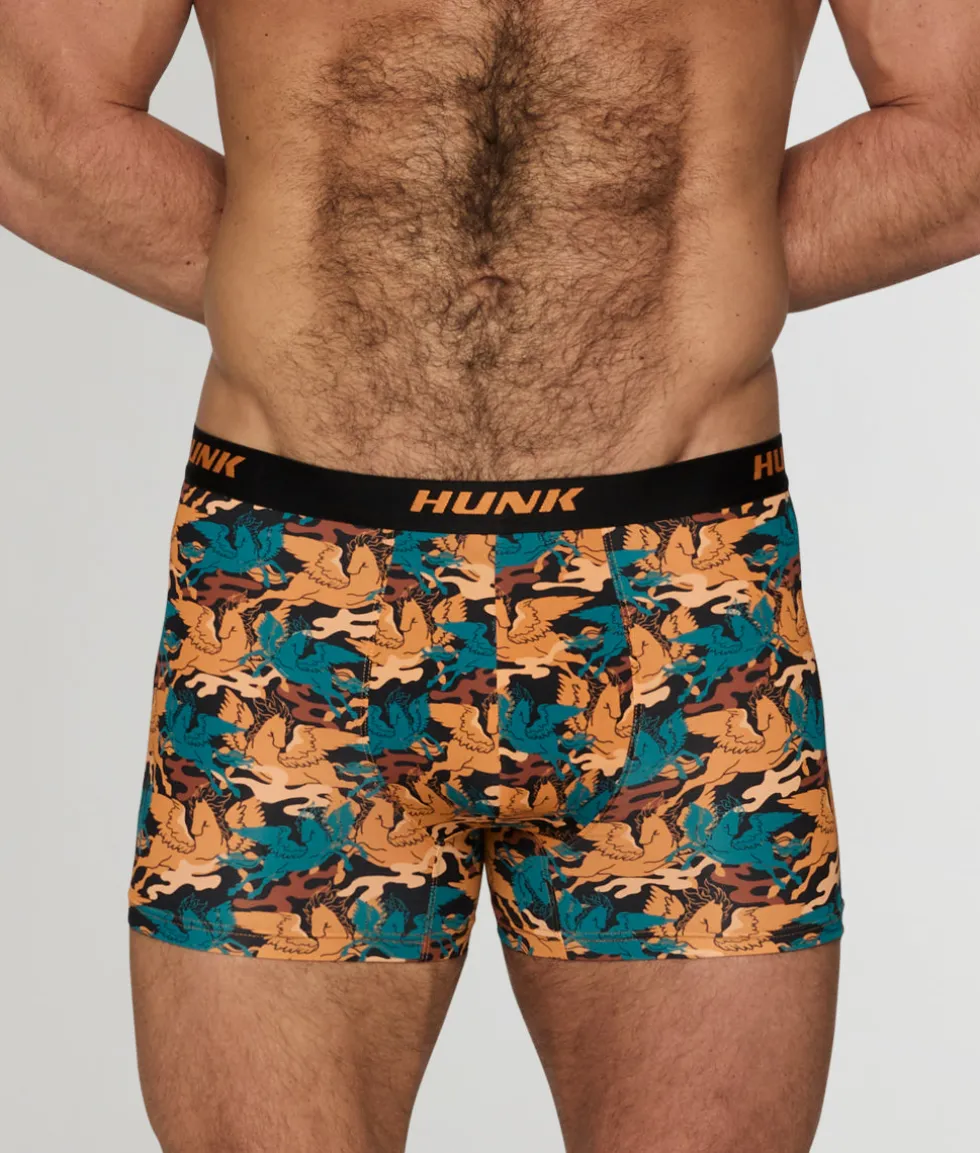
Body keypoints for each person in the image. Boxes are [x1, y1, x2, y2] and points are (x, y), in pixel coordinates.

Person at [1, 2, 978, 1151]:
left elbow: (960, 129)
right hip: (295, 589)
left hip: (675, 595)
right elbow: (34, 118)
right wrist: (331, 267)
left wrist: (659, 258)